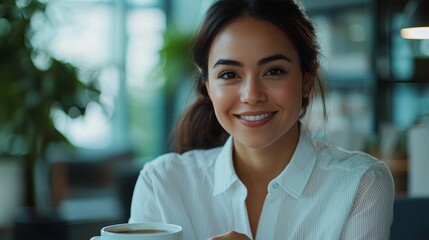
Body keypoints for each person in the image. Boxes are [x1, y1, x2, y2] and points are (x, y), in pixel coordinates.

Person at [129, 0, 395, 239]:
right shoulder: (161, 184)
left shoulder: (360, 183)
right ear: (208, 87)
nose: (252, 95)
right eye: (229, 74)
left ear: (307, 80)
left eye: (274, 71)